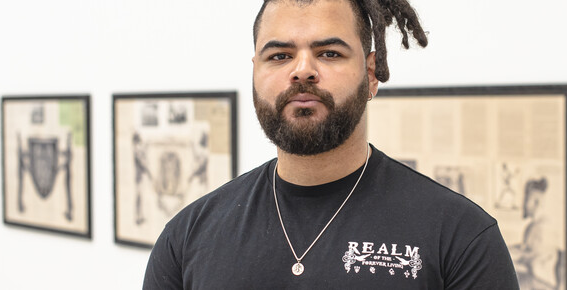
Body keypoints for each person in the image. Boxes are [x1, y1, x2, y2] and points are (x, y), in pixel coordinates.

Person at [143, 0, 519, 288]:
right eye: (280, 56)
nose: (302, 69)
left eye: (329, 53)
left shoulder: (461, 238)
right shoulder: (186, 237)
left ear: (371, 75)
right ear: (255, 72)